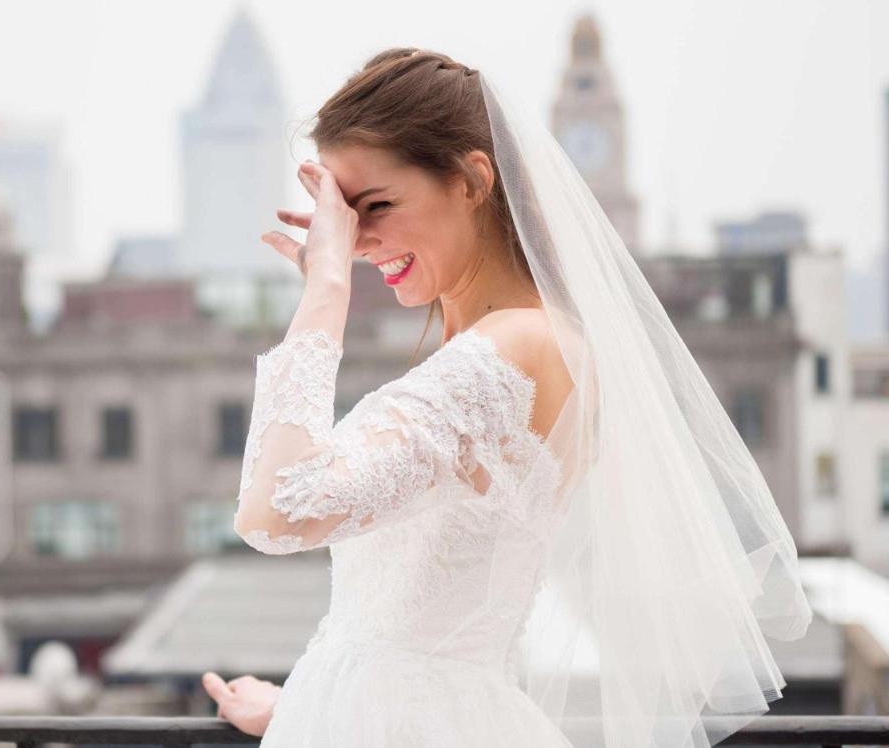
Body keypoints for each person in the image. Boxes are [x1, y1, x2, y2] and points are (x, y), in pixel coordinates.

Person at [202, 49, 811, 747]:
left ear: (471, 181)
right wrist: (308, 707)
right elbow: (418, 617)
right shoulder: (512, 348)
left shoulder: (515, 353)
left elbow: (278, 512)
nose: (357, 241)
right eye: (340, 216)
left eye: (375, 206)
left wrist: (325, 289)